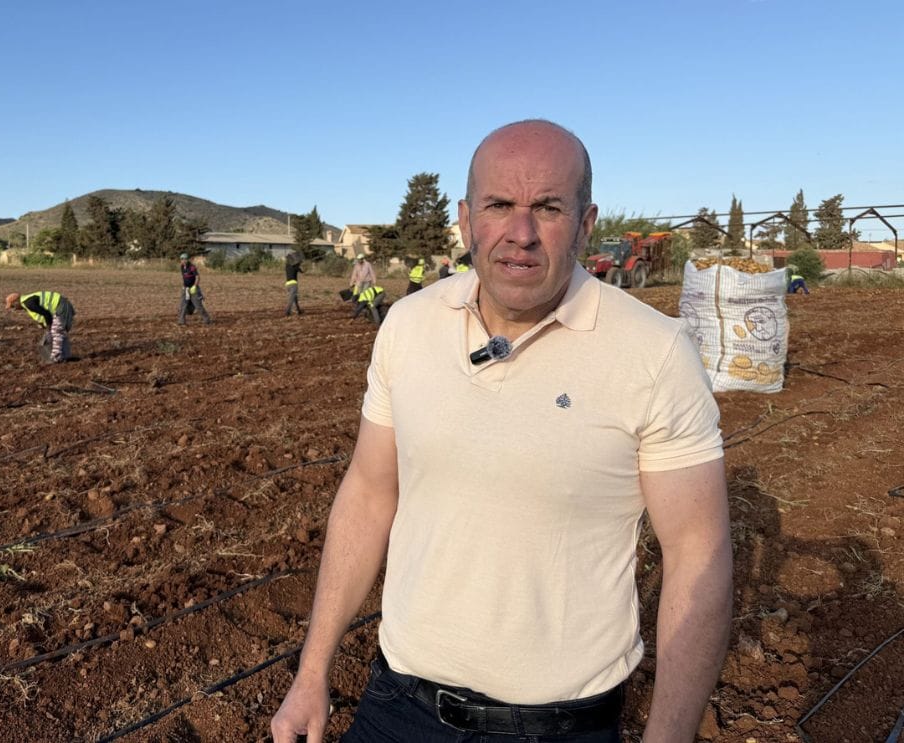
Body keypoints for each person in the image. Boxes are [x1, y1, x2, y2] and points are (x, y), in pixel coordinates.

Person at [271, 120, 732, 743]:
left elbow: (697, 553)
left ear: (586, 222)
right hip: (397, 705)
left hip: (559, 727)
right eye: (498, 206)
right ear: (466, 221)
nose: (521, 233)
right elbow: (369, 491)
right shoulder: (407, 327)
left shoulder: (654, 353)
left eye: (548, 207)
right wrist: (312, 670)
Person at [6, 291, 75, 362]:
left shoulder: (29, 303)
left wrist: (48, 330)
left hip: (61, 306)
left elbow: (46, 314)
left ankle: (56, 356)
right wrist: (44, 325)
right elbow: (43, 315)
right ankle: (64, 355)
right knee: (59, 331)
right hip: (62, 305)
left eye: (13, 306)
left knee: (56, 331)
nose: (15, 309)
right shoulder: (28, 303)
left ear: (16, 302)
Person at [178, 253, 212, 325]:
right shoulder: (181, 267)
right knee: (183, 304)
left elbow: (197, 277)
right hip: (186, 288)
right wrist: (184, 286)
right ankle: (181, 321)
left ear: (188, 259)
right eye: (182, 259)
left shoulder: (192, 267)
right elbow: (184, 277)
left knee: (198, 305)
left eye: (185, 259)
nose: (184, 261)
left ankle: (207, 320)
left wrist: (195, 286)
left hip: (193, 288)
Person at [285, 250, 305, 316]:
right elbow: (302, 271)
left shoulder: (287, 266)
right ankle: (287, 312)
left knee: (294, 298)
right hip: (293, 284)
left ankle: (298, 311)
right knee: (291, 299)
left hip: (287, 284)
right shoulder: (296, 267)